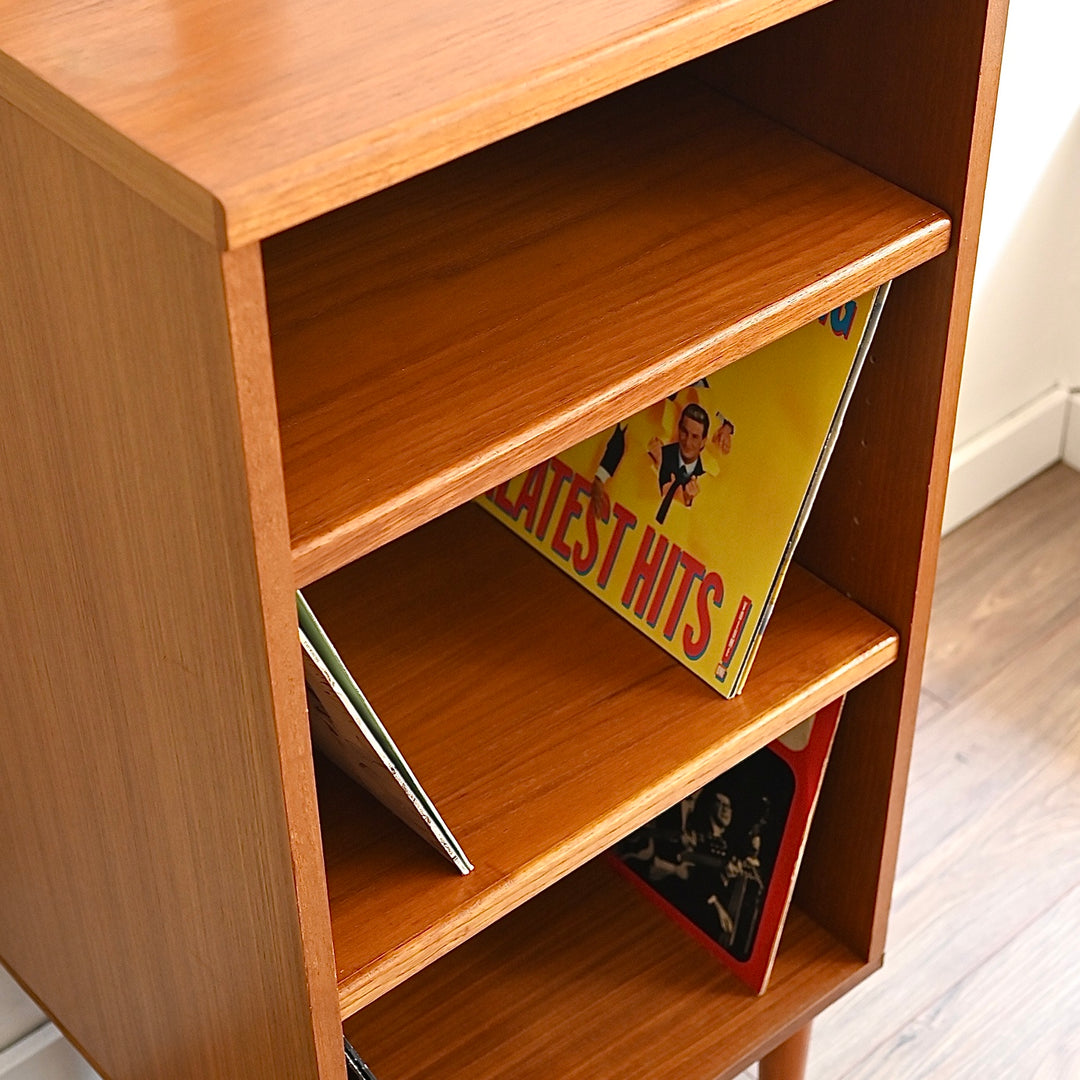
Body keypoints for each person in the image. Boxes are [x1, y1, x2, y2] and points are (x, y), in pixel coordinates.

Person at [589, 402, 734, 524]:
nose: (688, 442)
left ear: (703, 441)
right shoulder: (657, 444)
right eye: (684, 432)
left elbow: (721, 419)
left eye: (695, 437)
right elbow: (622, 432)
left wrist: (726, 429)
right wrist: (600, 478)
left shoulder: (710, 472)